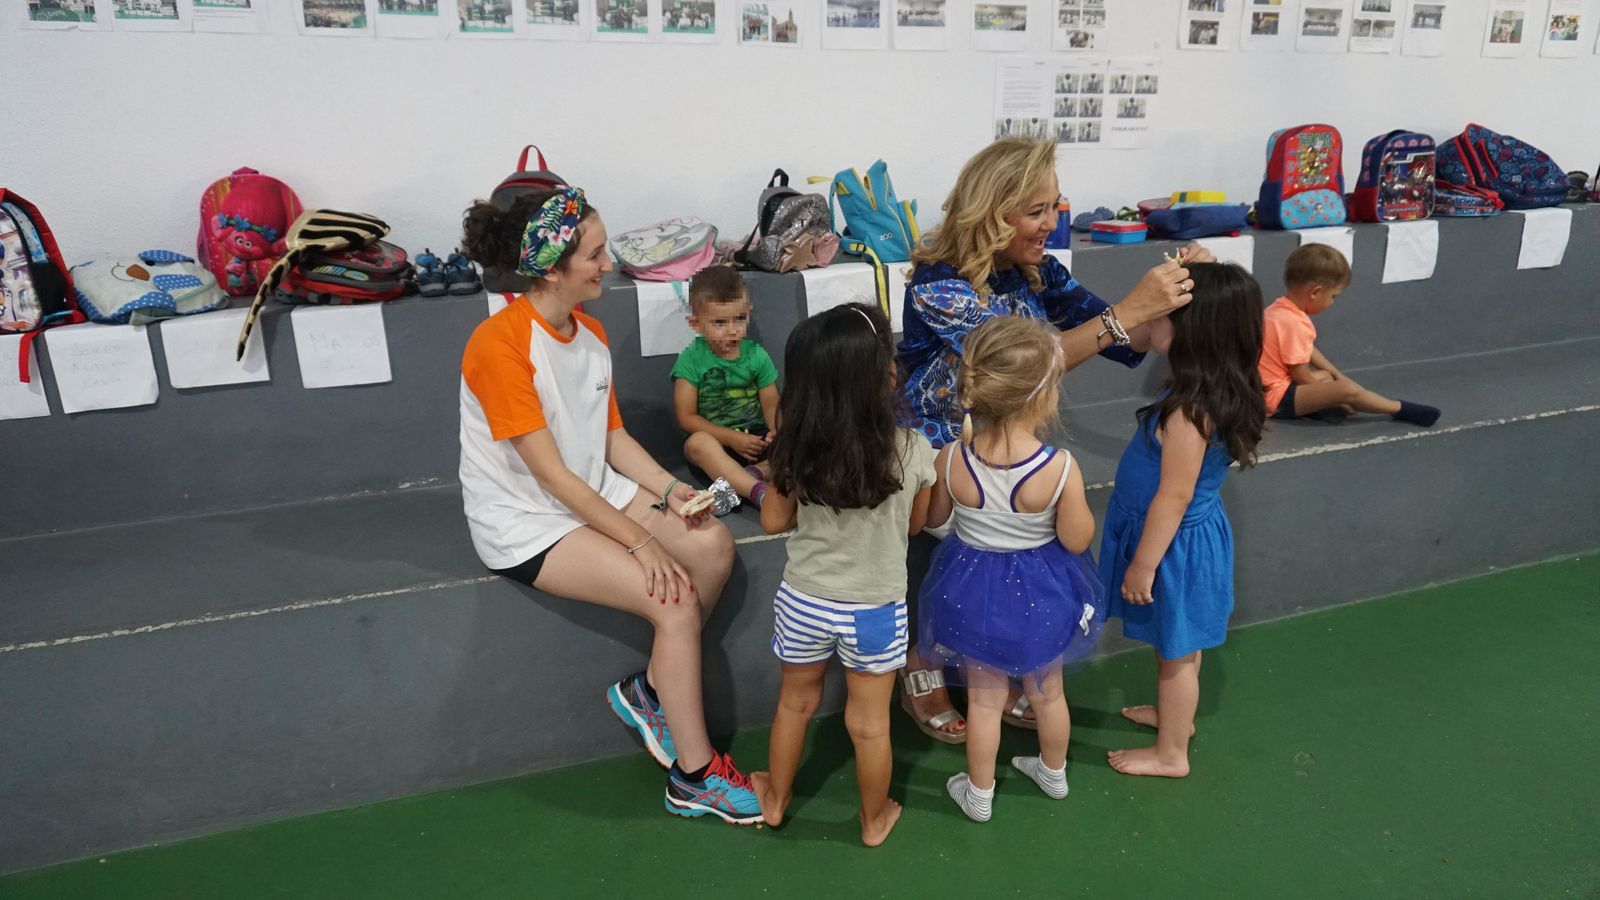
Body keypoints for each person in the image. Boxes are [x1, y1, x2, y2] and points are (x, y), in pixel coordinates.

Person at [457, 187, 760, 824]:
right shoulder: (498, 345)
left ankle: (651, 690)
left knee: (713, 546)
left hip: (593, 489)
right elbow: (551, 476)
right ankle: (694, 776)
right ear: (551, 268)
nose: (608, 265)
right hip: (527, 520)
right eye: (594, 255)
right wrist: (641, 541)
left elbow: (611, 437)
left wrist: (671, 491)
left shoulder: (590, 332)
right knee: (673, 601)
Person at [894, 137, 1210, 741]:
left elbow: (1124, 338)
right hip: (937, 448)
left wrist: (1179, 286)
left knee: (1008, 550)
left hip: (1002, 443)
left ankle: (991, 664)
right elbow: (1017, 364)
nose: (1052, 221)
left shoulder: (1034, 269)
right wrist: (1130, 309)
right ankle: (921, 662)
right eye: (1036, 210)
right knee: (963, 542)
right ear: (992, 212)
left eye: (1055, 206)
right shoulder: (940, 284)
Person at [750, 302, 936, 847]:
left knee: (794, 703)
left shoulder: (797, 445)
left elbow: (773, 520)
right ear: (885, 373)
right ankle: (873, 821)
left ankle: (776, 801)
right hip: (875, 609)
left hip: (804, 601)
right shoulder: (914, 450)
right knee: (870, 724)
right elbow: (916, 526)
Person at [919, 316, 1102, 822]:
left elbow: (934, 519)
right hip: (1042, 594)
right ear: (1041, 397)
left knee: (983, 701)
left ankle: (979, 794)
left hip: (971, 591)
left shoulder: (951, 457)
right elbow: (1077, 539)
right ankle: (1053, 772)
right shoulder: (1059, 467)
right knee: (1048, 691)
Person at [1098, 263, 1267, 778]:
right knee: (1181, 644)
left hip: (1169, 548)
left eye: (1161, 315)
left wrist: (1143, 566)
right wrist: (1191, 264)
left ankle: (1171, 753)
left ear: (1191, 332)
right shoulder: (1219, 389)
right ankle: (1177, 719)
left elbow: (1173, 496)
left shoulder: (1188, 413)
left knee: (1176, 653)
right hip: (1185, 539)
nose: (1150, 319)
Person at [1261, 244, 1441, 427]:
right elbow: (1300, 375)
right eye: (1333, 296)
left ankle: (1320, 408)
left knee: (1327, 377)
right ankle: (1397, 408)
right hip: (1275, 399)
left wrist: (1337, 375)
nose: (1332, 302)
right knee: (1346, 390)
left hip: (1268, 390)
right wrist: (1338, 396)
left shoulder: (1277, 309)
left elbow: (1307, 350)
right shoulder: (1296, 324)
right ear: (1315, 292)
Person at [670, 265, 779, 509]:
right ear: (696, 324)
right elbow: (686, 418)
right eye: (719, 323)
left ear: (749, 313)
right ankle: (758, 492)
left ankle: (751, 474)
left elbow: (771, 404)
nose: (732, 330)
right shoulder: (691, 360)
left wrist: (776, 430)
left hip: (756, 441)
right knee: (697, 443)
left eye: (739, 319)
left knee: (799, 435)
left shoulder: (757, 355)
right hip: (716, 443)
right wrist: (731, 438)